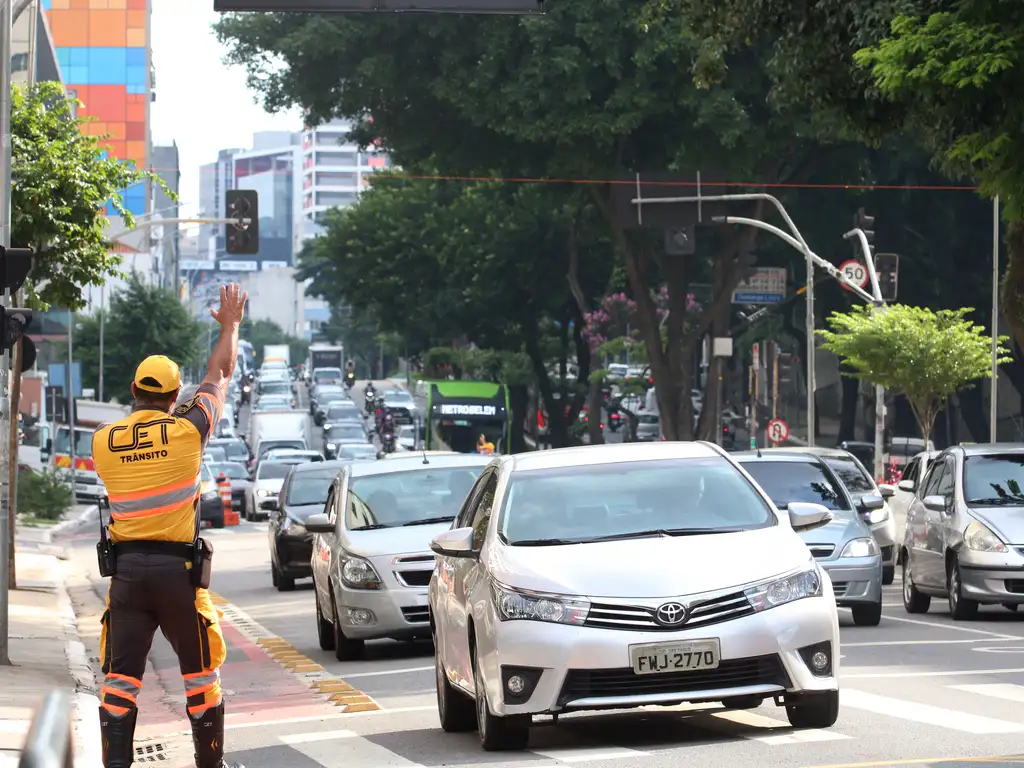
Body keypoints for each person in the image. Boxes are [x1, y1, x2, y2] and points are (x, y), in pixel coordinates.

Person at [91, 284, 248, 768]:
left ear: (134, 391)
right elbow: (220, 374)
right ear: (175, 395)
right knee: (202, 680)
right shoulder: (188, 433)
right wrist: (230, 326)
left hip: (128, 580)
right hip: (179, 577)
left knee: (119, 684)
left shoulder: (103, 442)